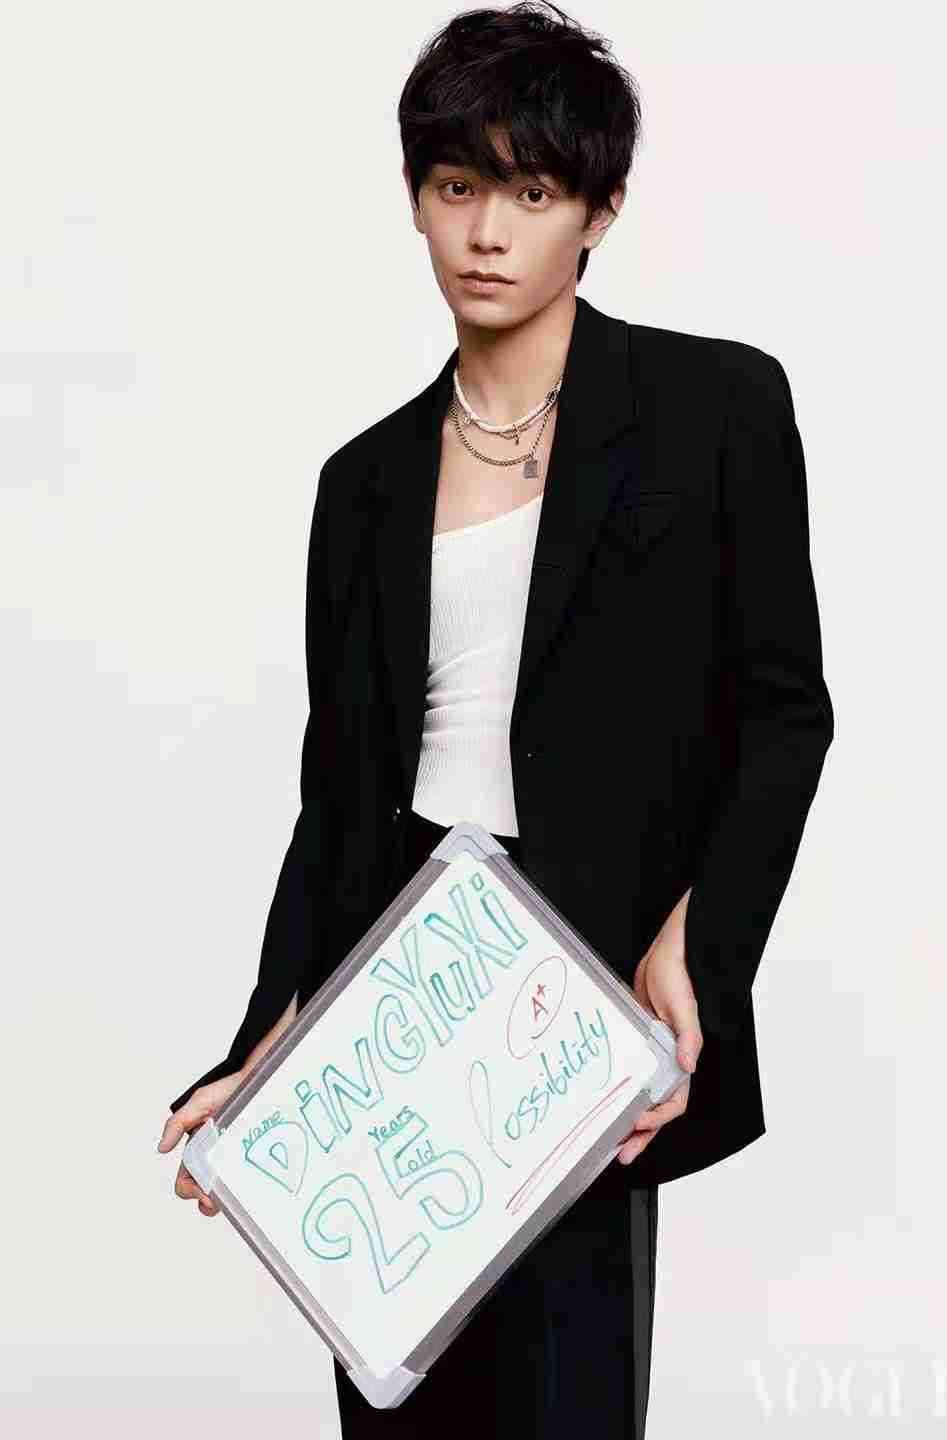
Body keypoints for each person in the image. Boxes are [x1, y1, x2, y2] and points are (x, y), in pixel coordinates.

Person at [157, 4, 835, 1436]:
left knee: (570, 1395)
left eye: (530, 193)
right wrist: (268, 1042)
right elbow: (338, 796)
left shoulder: (715, 407)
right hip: (399, 988)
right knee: (393, 1399)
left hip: (581, 987)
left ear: (601, 210)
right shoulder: (361, 485)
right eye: (457, 186)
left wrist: (699, 942)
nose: (485, 233)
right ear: (415, 197)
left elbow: (787, 714)